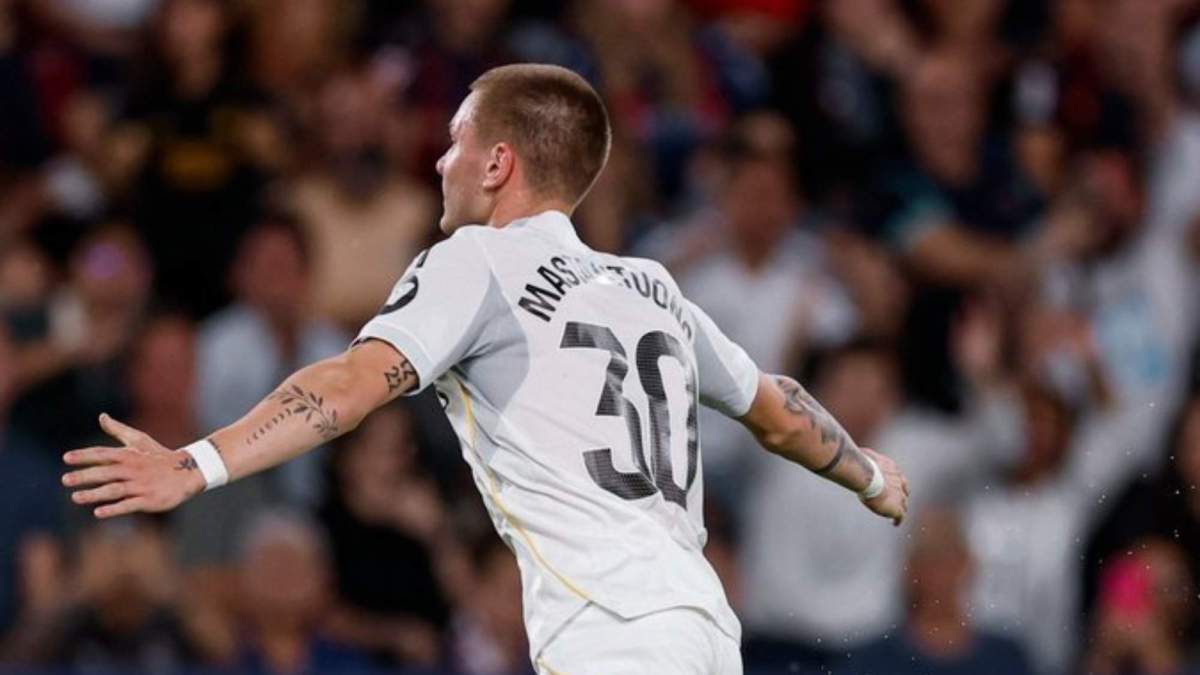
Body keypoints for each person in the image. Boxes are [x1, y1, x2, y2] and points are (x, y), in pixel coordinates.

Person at [60, 63, 910, 674]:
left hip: (612, 634)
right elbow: (780, 407)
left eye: (456, 140)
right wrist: (869, 473)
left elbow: (349, 387)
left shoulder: (475, 261)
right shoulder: (653, 287)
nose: (439, 161)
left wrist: (193, 462)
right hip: (700, 630)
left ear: (499, 162)